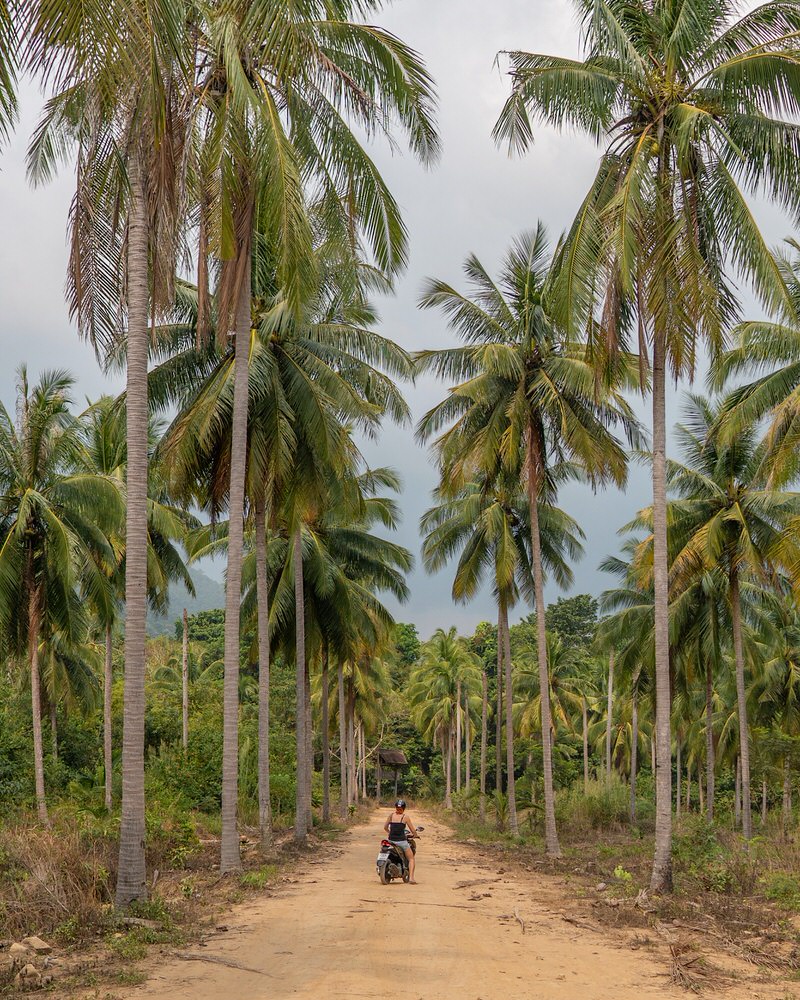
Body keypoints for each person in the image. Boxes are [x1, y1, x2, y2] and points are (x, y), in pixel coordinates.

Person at [384, 799, 419, 884]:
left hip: (391, 841)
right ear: (404, 808)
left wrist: (390, 833)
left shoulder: (391, 815)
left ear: (396, 807)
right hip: (401, 842)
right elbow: (413, 830)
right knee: (411, 859)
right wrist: (415, 835)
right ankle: (411, 878)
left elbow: (385, 827)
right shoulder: (405, 817)